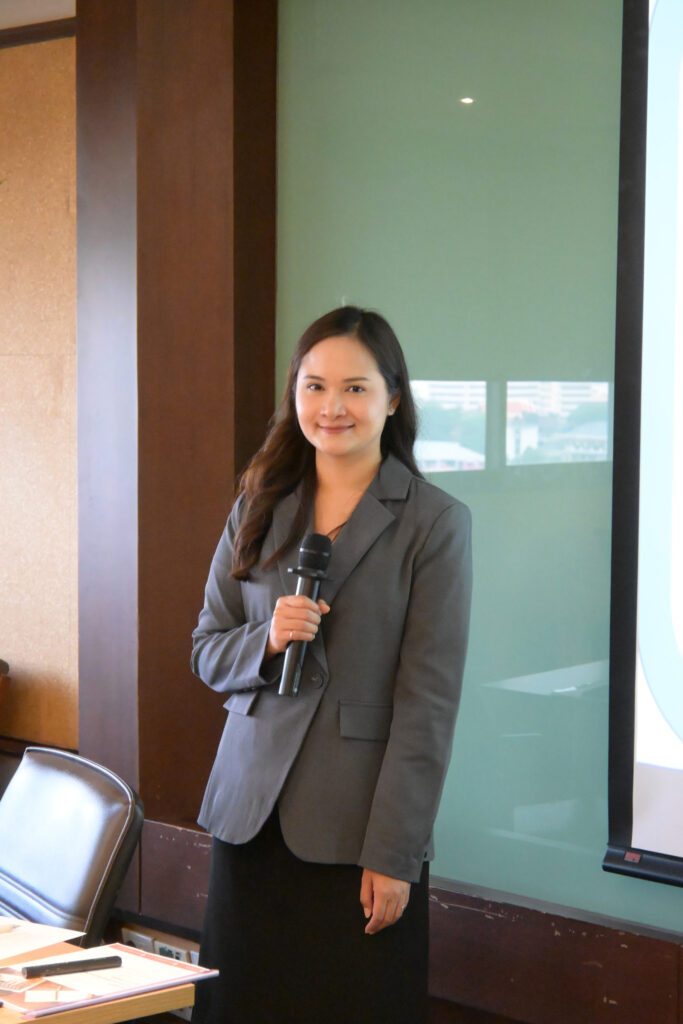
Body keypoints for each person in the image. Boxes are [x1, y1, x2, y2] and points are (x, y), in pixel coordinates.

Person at [191, 306, 472, 1024]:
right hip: (248, 821)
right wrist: (267, 639)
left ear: (393, 399)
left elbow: (427, 704)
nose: (331, 407)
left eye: (355, 388)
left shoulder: (434, 522)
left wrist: (395, 854)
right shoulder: (259, 503)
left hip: (357, 835)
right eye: (314, 386)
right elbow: (207, 648)